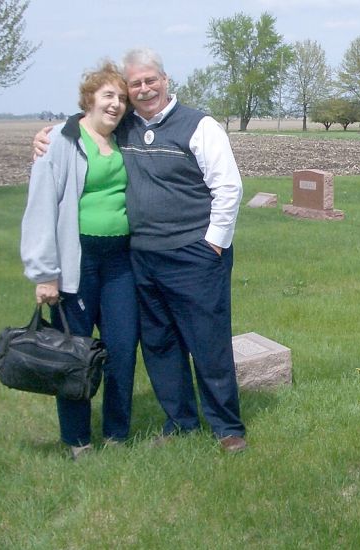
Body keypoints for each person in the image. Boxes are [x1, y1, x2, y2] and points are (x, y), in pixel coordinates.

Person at [34, 47, 247, 452]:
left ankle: (227, 427)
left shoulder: (199, 125)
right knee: (160, 346)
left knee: (208, 343)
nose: (144, 88)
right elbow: (82, 128)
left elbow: (228, 188)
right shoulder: (124, 126)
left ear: (166, 81)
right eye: (136, 83)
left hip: (195, 255)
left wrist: (213, 245)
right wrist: (47, 138)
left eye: (151, 80)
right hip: (142, 258)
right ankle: (180, 421)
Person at [21, 61, 139, 460]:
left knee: (122, 348)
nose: (116, 104)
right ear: (89, 99)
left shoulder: (126, 138)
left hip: (120, 261)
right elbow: (40, 207)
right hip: (78, 261)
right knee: (73, 353)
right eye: (108, 95)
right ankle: (76, 440)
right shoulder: (59, 140)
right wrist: (45, 274)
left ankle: (117, 433)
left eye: (122, 98)